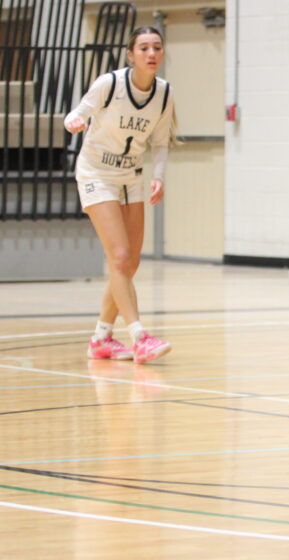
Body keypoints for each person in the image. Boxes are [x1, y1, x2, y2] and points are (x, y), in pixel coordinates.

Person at [64, 26, 175, 363]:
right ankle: (139, 336)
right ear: (131, 54)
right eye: (144, 48)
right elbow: (79, 112)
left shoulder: (164, 92)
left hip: (132, 176)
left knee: (131, 261)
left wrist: (158, 177)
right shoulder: (109, 83)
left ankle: (101, 338)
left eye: (157, 47)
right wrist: (74, 121)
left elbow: (160, 141)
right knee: (120, 255)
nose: (151, 53)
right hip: (97, 173)